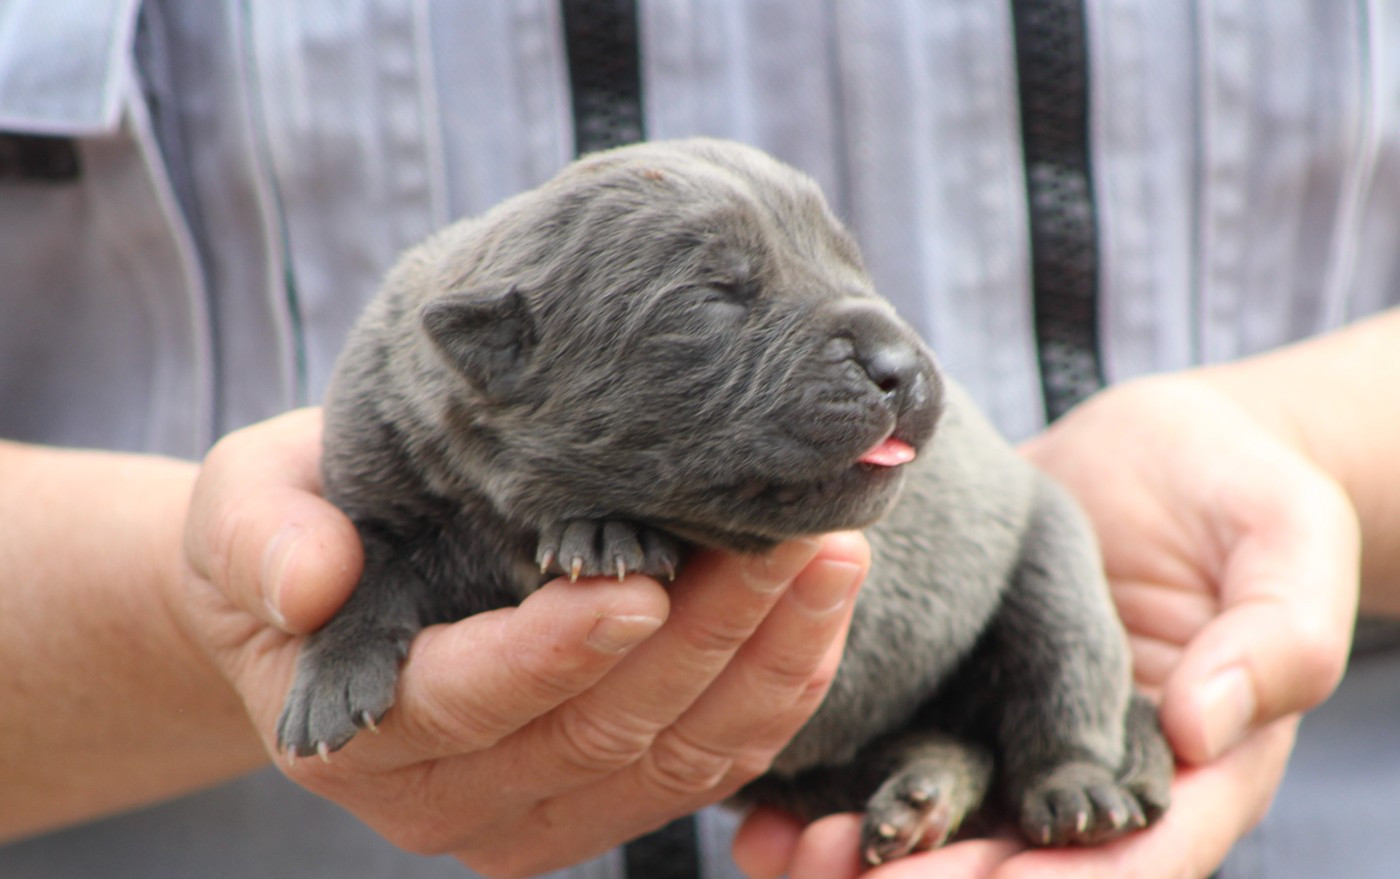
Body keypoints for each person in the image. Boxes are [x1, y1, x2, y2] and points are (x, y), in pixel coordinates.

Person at [1, 2, 1395, 878]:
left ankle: (1032, 757)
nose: (894, 353)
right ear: (498, 356)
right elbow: (379, 552)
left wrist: (1301, 440)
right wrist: (228, 618)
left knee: (1046, 569)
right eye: (723, 305)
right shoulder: (423, 382)